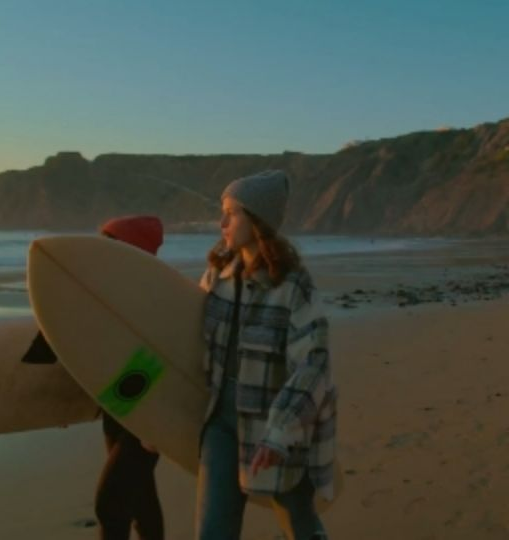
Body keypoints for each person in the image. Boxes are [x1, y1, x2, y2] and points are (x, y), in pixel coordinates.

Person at [195, 170, 337, 540]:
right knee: (213, 532)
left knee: (300, 526)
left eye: (232, 212)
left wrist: (280, 433)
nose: (222, 222)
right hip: (220, 423)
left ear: (258, 220)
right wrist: (156, 415)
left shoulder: (293, 287)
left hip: (275, 423)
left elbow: (313, 363)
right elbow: (187, 344)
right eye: (221, 211)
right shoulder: (216, 277)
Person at [24, 215, 165, 540]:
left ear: (130, 253)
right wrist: (62, 403)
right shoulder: (101, 295)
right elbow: (78, 350)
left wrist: (156, 425)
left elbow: (166, 363)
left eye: (110, 244)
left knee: (111, 504)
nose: (99, 251)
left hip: (146, 417)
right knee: (140, 500)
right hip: (116, 410)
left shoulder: (151, 299)